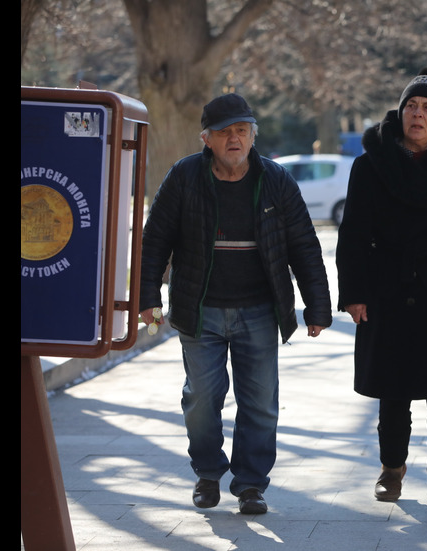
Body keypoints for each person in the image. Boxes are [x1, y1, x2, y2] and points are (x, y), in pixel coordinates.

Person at [139, 93, 332, 515]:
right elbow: (154, 240)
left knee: (261, 402)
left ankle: (250, 484)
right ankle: (208, 475)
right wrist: (147, 297)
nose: (234, 139)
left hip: (260, 310)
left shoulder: (276, 180)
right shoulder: (185, 177)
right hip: (200, 308)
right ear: (206, 139)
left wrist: (318, 305)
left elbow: (303, 245)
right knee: (201, 400)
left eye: (241, 131)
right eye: (224, 132)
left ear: (252, 136)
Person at [335, 67, 427, 517]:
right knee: (393, 391)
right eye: (411, 106)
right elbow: (354, 233)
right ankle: (391, 470)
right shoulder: (371, 163)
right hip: (389, 291)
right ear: (399, 114)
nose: (417, 115)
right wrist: (354, 293)